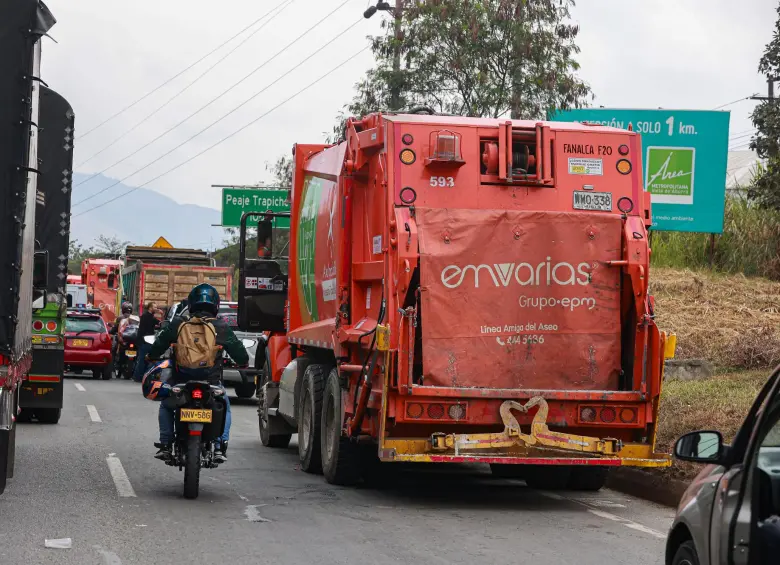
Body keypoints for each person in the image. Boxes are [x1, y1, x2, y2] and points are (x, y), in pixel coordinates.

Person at [148, 284, 248, 463]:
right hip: (212, 382)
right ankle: (219, 446)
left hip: (181, 382)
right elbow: (240, 354)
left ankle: (165, 444)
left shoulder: (178, 323)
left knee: (166, 405)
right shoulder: (221, 327)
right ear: (215, 305)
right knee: (224, 406)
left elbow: (159, 345)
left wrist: (151, 356)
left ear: (192, 303)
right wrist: (243, 362)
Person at [133, 301, 160, 382]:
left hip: (148, 340)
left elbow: (159, 323)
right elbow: (156, 323)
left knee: (144, 359)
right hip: (144, 341)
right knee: (142, 359)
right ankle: (138, 377)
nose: (156, 309)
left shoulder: (150, 316)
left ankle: (141, 376)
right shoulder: (146, 316)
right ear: (150, 308)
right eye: (155, 307)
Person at [110, 302, 133, 374]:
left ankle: (111, 367)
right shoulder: (134, 317)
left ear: (123, 309)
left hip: (123, 338)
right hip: (132, 339)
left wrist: (110, 331)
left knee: (113, 350)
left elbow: (115, 328)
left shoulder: (120, 318)